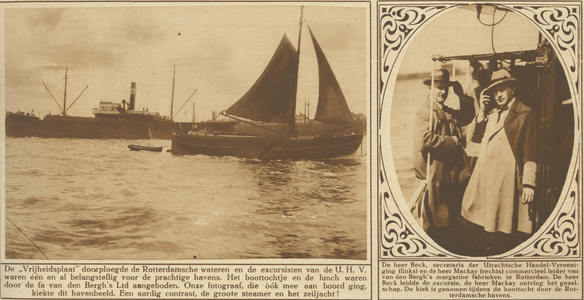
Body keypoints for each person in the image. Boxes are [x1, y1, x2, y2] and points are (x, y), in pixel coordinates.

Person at [461, 69, 538, 255]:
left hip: (506, 179)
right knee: (478, 220)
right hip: (485, 178)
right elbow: (475, 140)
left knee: (504, 227)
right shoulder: (491, 113)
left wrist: (529, 183)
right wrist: (481, 112)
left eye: (502, 89)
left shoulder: (526, 113)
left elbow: (531, 150)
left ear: (512, 88)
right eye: (495, 91)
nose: (498, 95)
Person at [410, 69, 475, 251]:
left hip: (449, 176)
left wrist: (462, 95)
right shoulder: (424, 112)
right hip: (434, 176)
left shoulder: (445, 110)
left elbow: (467, 117)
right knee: (436, 224)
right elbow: (423, 140)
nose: (442, 92)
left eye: (445, 88)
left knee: (451, 220)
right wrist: (450, 142)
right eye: (438, 87)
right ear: (430, 88)